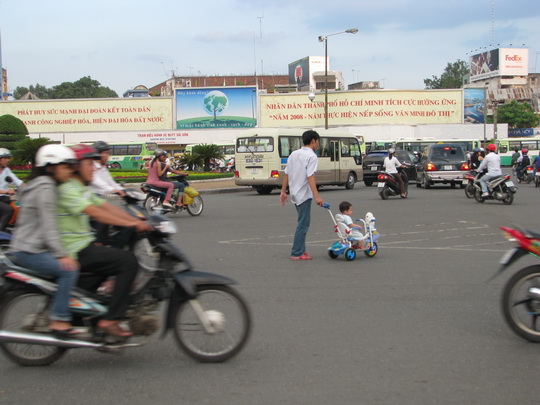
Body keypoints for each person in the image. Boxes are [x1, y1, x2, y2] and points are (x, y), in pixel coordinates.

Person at [58, 144, 152, 337]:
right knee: (127, 261)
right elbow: (97, 213)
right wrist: (133, 225)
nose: (94, 168)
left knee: (107, 265)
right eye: (89, 164)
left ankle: (90, 317)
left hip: (84, 245)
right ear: (76, 166)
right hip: (74, 249)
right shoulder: (68, 189)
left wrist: (135, 219)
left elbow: (105, 206)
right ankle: (111, 319)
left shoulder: (82, 187)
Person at [10, 145, 81, 338]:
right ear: (51, 167)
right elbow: (48, 226)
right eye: (65, 167)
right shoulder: (45, 188)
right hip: (29, 251)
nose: (70, 170)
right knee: (69, 270)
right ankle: (59, 319)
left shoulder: (41, 184)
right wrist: (62, 255)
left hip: (30, 246)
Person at [279, 130, 325, 260]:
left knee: (303, 222)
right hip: (303, 194)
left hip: (294, 192)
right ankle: (297, 252)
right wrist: (317, 196)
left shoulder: (294, 154)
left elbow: (286, 173)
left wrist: (283, 191)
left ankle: (302, 250)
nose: (318, 144)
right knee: (303, 223)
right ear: (313, 141)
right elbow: (310, 176)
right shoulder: (312, 156)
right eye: (318, 141)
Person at [0, 148, 24, 232]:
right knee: (8, 210)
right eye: (5, 158)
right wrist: (6, 191)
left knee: (19, 206)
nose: (7, 160)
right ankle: (1, 231)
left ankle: (11, 227)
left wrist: (30, 187)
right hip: (2, 198)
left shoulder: (6, 170)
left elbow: (16, 181)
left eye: (8, 158)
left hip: (3, 199)